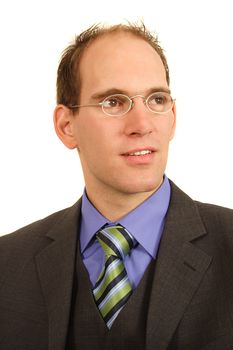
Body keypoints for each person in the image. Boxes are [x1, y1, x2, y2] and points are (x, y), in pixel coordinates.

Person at [0, 22, 233, 350]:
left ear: (173, 117)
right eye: (113, 102)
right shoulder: (6, 265)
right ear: (67, 126)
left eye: (156, 99)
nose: (142, 125)